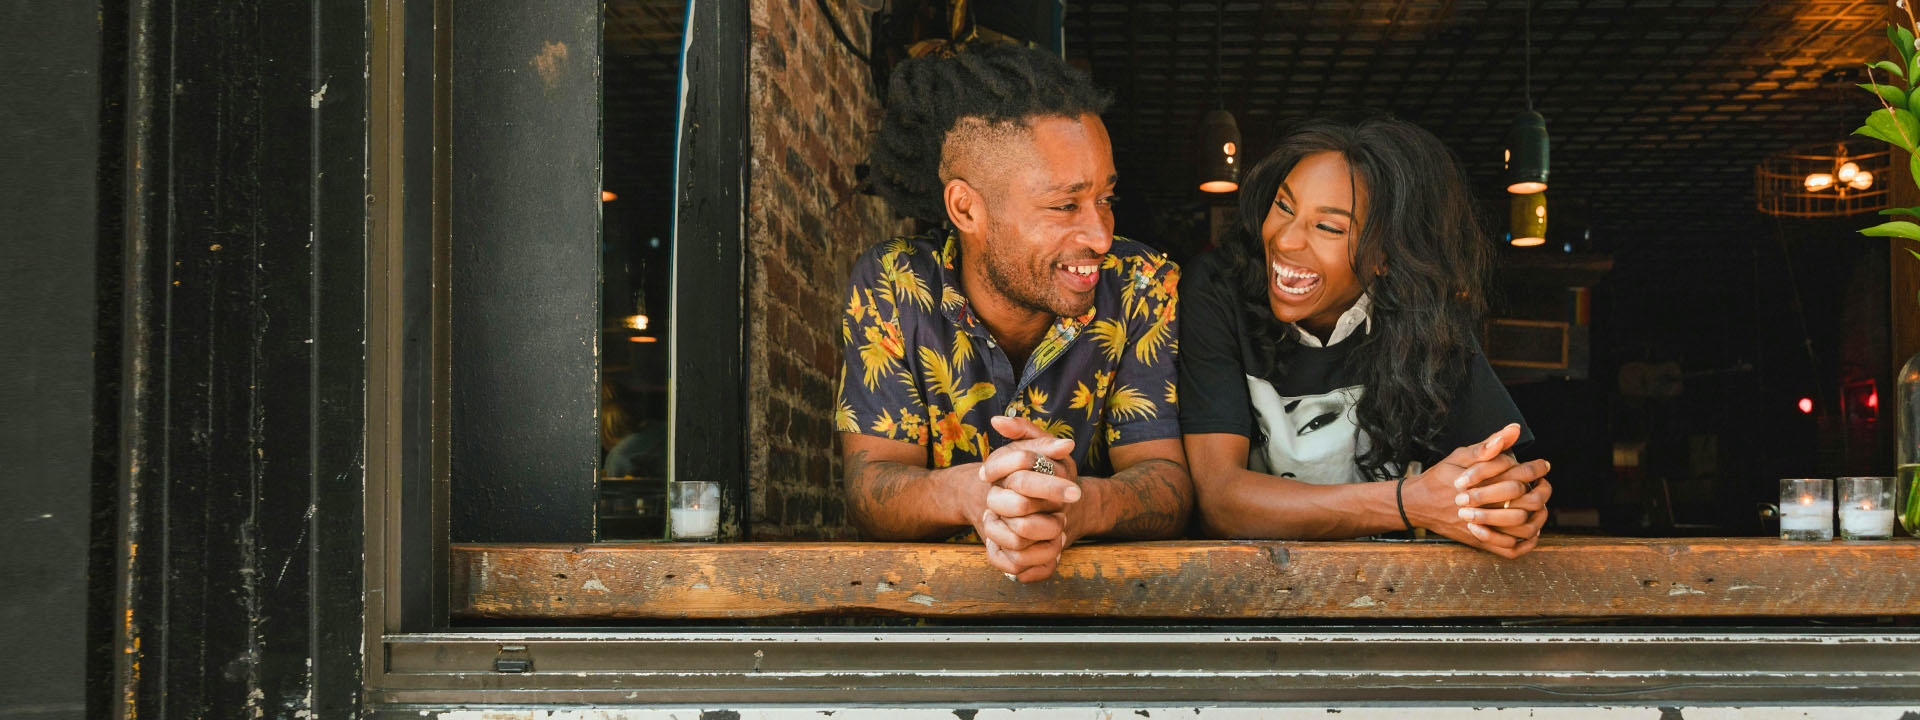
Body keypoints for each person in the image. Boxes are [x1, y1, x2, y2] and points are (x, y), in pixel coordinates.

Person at [836, 44, 1192, 582]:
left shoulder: (1140, 284)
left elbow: (1167, 484)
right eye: (1065, 205)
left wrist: (1075, 504)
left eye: (1106, 199)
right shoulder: (894, 285)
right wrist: (971, 493)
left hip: (1105, 621)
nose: (1100, 236)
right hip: (933, 625)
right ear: (966, 208)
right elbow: (868, 490)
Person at [1177, 113, 1553, 558]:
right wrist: (1410, 503)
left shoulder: (1424, 316)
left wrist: (1503, 503)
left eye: (1329, 227)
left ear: (1386, 256)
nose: (1286, 241)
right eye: (1284, 206)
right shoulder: (1220, 289)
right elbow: (1221, 500)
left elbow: (1497, 473)